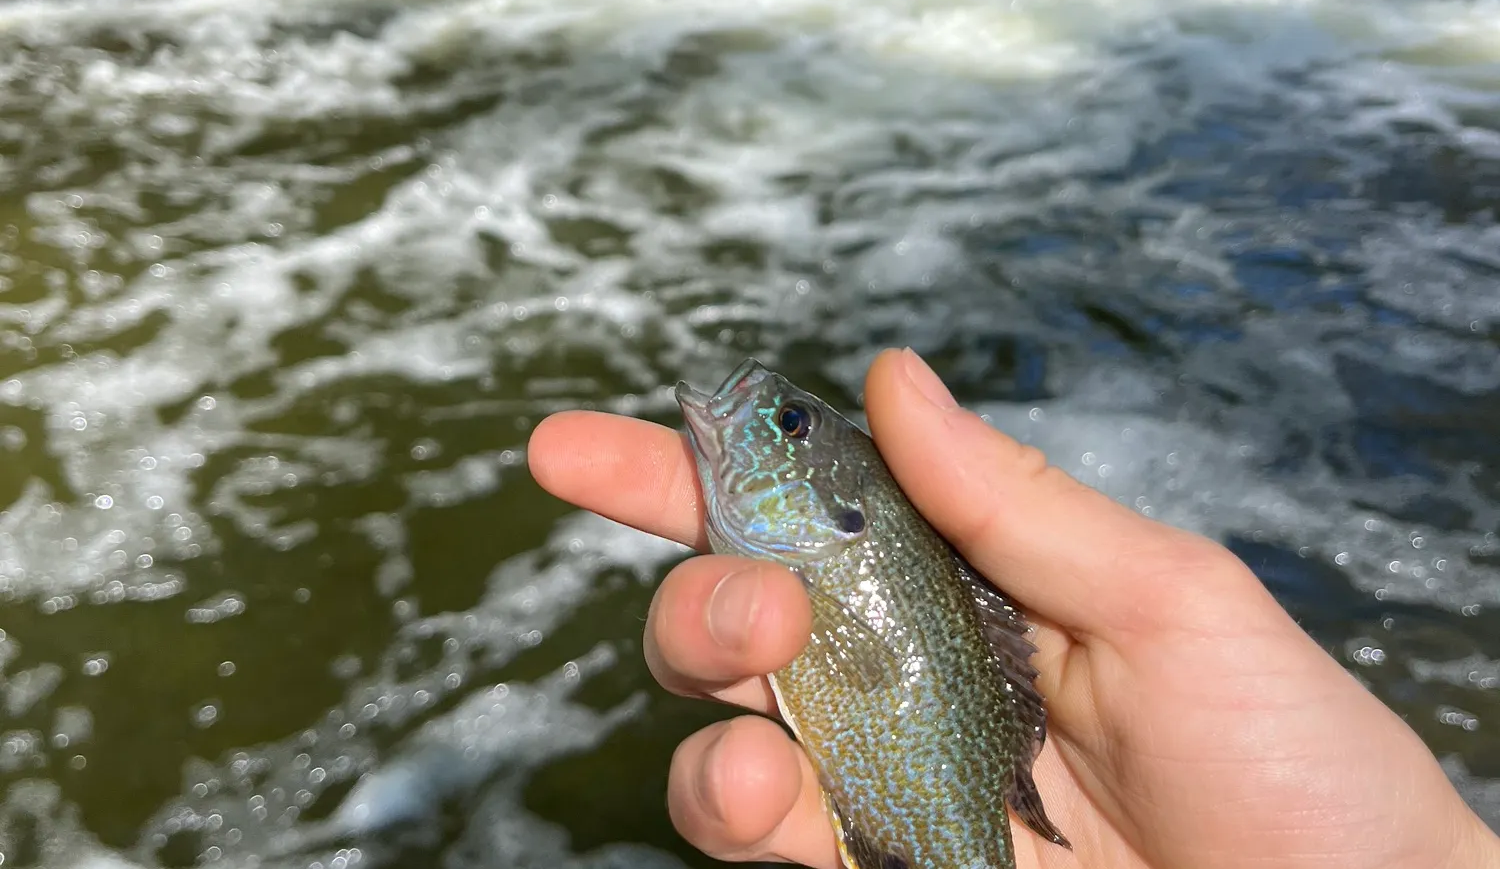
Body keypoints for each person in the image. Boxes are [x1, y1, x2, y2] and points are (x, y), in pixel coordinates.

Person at [528, 347, 1500, 869]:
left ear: (839, 510)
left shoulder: (836, 543)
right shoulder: (805, 544)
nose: (764, 411)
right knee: (737, 755)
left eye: (788, 425)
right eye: (793, 419)